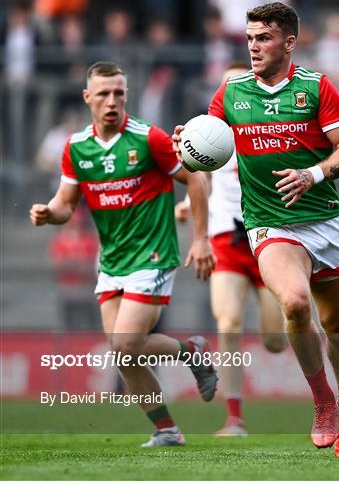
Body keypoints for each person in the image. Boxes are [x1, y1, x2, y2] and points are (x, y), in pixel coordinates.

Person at [173, 2, 339, 457]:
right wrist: (189, 142)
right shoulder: (232, 92)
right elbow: (208, 143)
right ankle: (321, 403)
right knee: (296, 304)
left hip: (325, 223)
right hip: (268, 225)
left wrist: (312, 175)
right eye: (250, 37)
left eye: (263, 38)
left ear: (289, 42)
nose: (253, 46)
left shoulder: (316, 88)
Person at [30, 61, 217, 447]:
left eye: (118, 93)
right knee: (125, 357)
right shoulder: (76, 148)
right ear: (88, 98)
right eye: (103, 94)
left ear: (126, 96)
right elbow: (66, 204)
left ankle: (190, 353)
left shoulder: (149, 139)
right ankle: (168, 427)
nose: (111, 100)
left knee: (126, 344)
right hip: (112, 261)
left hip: (154, 254)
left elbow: (195, 177)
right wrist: (51, 213)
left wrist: (201, 238)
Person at [176, 62, 288, 436]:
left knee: (274, 341)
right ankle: (235, 418)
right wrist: (188, 207)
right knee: (228, 322)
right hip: (227, 235)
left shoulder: (272, 130)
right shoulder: (209, 136)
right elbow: (201, 180)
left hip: (269, 234)